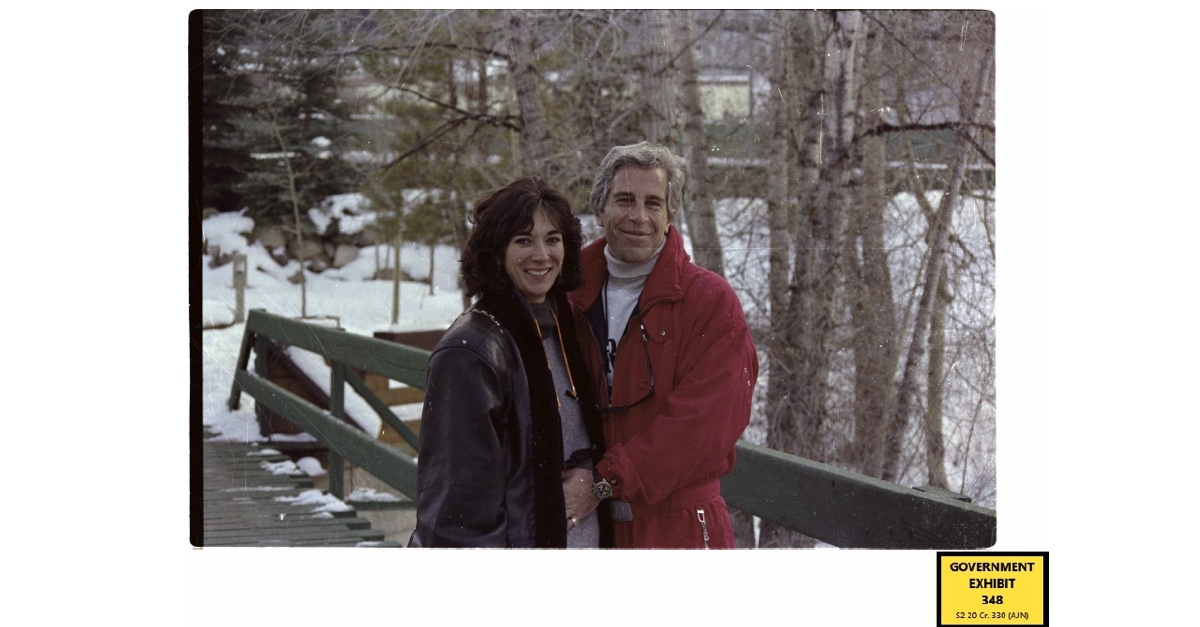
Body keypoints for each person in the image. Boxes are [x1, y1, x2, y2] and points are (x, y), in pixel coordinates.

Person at [562, 141, 759, 549]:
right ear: (600, 210)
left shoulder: (708, 301)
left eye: (654, 203)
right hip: (592, 529)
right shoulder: (568, 295)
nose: (638, 216)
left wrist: (603, 482)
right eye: (624, 200)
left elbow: (704, 427)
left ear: (670, 217)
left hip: (680, 528)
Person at [408, 176, 611, 548]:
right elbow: (455, 517)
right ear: (496, 251)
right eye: (523, 240)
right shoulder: (471, 351)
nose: (541, 255)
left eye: (553, 239)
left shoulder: (565, 327)